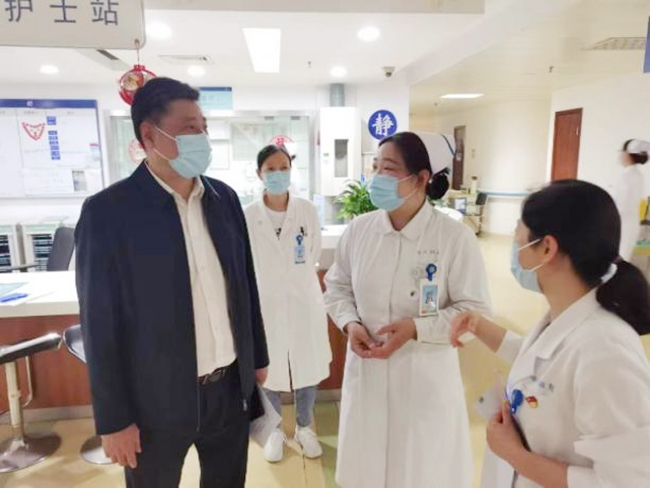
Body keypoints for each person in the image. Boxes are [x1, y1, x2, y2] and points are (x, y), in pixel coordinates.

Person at [75, 77, 269, 488]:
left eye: (204, 127)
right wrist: (114, 420)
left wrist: (257, 359)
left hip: (228, 391)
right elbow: (99, 325)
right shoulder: (108, 213)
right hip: (154, 402)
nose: (202, 138)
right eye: (189, 128)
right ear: (149, 135)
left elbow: (245, 284)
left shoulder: (224, 199)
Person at [450, 180, 650, 488]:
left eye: (519, 236)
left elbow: (627, 482)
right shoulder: (568, 316)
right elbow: (545, 367)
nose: (515, 249)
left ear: (546, 248)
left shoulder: (607, 350)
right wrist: (479, 327)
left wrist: (514, 454)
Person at [324, 131, 492, 488]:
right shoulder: (359, 230)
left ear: (420, 178)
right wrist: (350, 324)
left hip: (423, 380)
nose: (377, 177)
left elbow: (475, 311)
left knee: (419, 472)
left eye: (388, 168)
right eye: (375, 167)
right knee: (366, 471)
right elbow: (337, 286)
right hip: (367, 375)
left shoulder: (453, 237)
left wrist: (417, 329)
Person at [244, 145, 332, 463]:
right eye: (271, 169)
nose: (278, 174)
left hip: (303, 301)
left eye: (284, 168)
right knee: (269, 369)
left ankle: (305, 428)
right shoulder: (248, 215)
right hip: (265, 303)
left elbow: (313, 251)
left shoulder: (306, 210)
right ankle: (275, 430)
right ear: (259, 174)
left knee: (307, 365)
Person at [613, 139, 649, 260]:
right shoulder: (636, 174)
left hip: (624, 224)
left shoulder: (628, 176)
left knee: (618, 258)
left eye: (622, 151)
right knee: (621, 257)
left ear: (628, 154)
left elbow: (621, 205)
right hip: (629, 223)